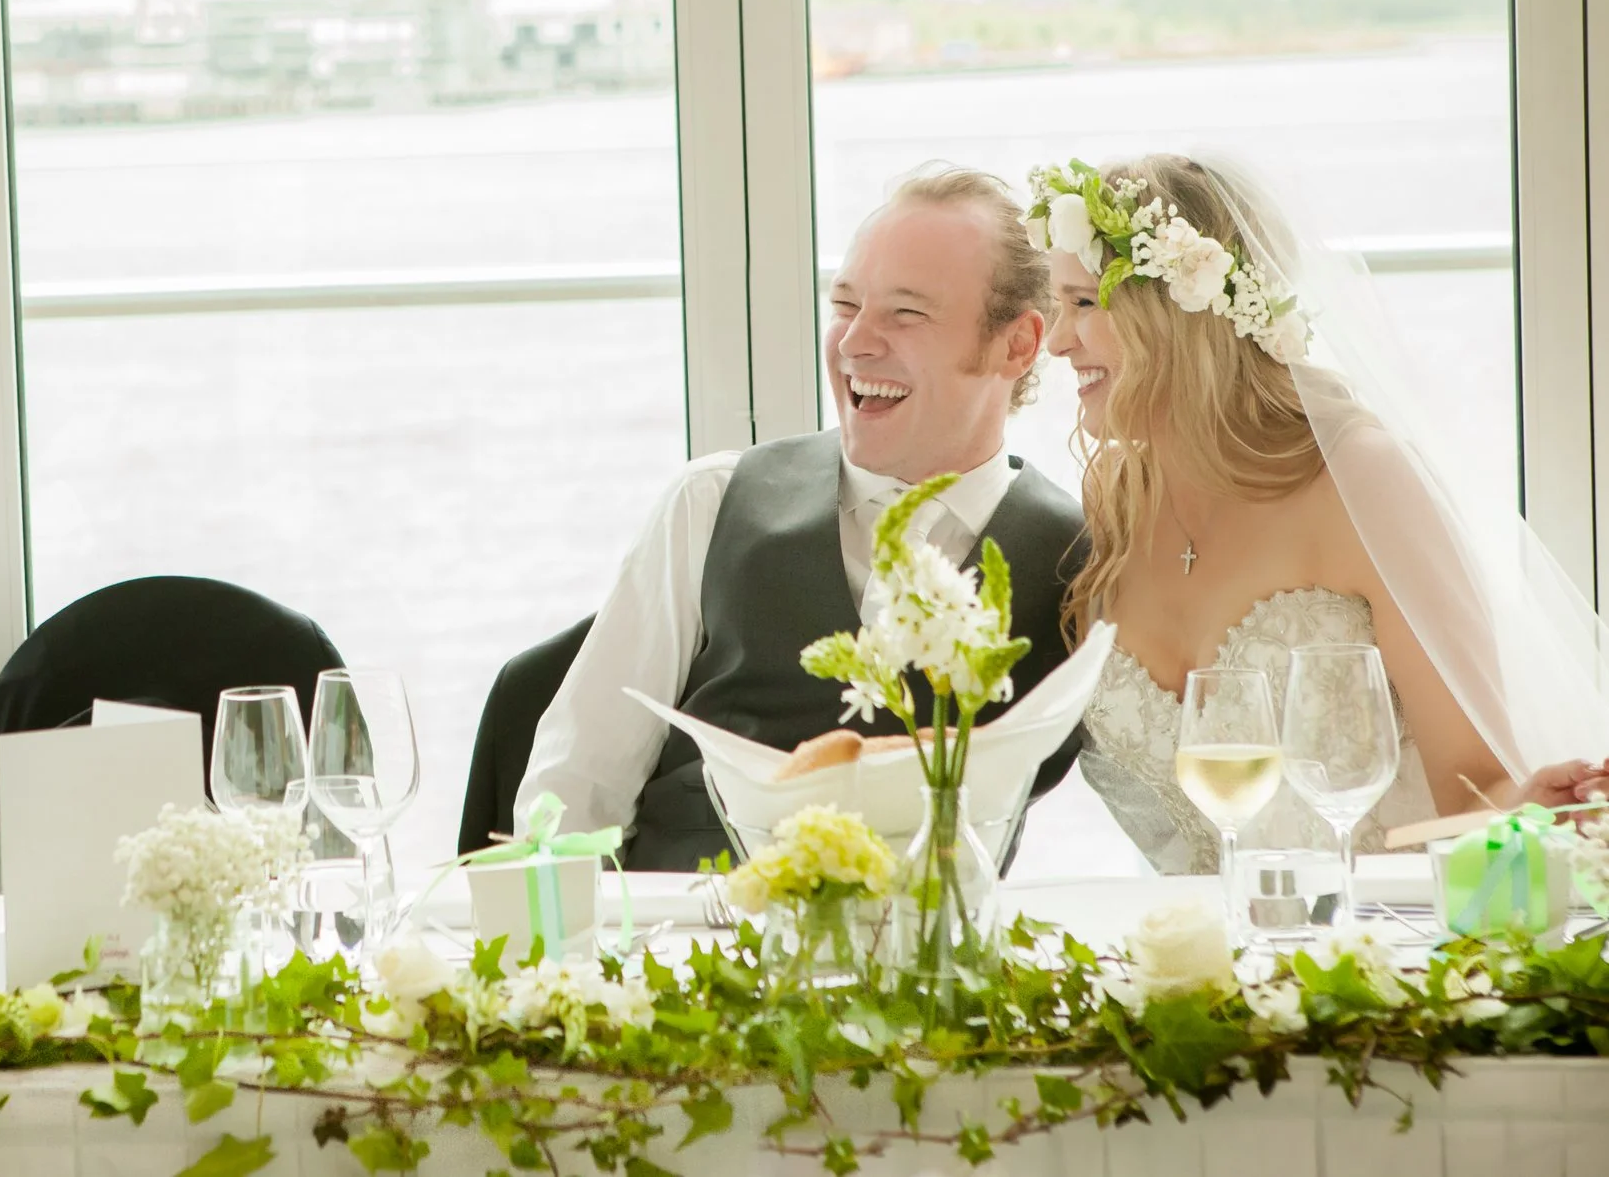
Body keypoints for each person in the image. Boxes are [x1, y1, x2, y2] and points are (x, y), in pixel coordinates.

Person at [1038, 154, 1609, 875]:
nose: (1058, 339)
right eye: (1056, 307)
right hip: (1192, 969)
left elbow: (1476, 787)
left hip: (1379, 957)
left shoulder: (1364, 479)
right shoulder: (1114, 503)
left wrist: (1529, 809)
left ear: (1177, 311)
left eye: (1083, 304)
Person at [517, 168, 1088, 871]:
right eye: (845, 304)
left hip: (932, 969)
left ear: (1019, 345)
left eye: (906, 313)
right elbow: (578, 784)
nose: (854, 343)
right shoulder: (712, 502)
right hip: (689, 951)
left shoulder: (1079, 560)